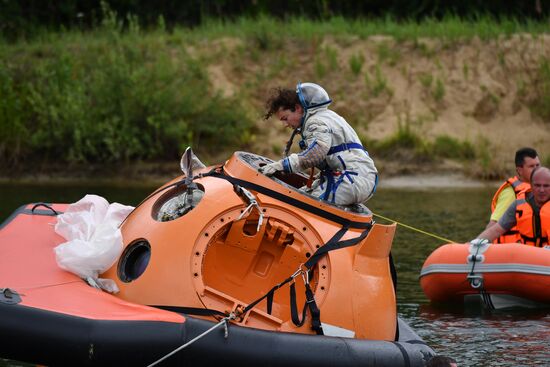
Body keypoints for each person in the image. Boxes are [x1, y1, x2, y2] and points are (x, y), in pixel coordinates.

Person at [259, 82, 378, 206]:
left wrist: (281, 165)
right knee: (300, 196)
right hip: (359, 177)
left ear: (298, 108)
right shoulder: (327, 116)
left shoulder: (315, 122)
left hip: (352, 179)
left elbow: (316, 154)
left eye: (285, 118)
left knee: (300, 205)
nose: (285, 124)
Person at [472, 166, 550, 247]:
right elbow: (496, 230)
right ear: (531, 185)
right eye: (537, 185)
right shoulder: (519, 204)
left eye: (546, 186)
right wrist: (473, 244)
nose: (542, 190)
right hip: (527, 254)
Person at [486, 147, 540, 243]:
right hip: (510, 251)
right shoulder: (511, 193)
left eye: (538, 165)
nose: (537, 170)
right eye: (531, 166)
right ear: (519, 170)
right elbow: (493, 224)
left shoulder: (539, 190)